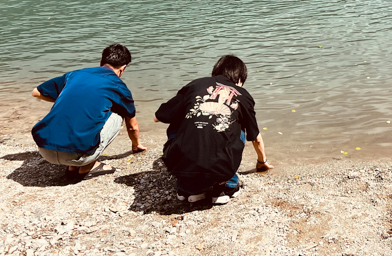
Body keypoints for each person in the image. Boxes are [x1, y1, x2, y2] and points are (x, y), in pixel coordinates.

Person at [155, 55, 273, 205]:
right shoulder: (243, 95)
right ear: (240, 79)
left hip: (179, 167)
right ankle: (226, 185)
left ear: (215, 72)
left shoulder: (196, 85)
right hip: (222, 170)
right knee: (238, 127)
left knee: (177, 122)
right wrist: (262, 161)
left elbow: (159, 116)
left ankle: (187, 186)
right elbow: (255, 136)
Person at [31, 43, 146, 181]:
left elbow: (36, 92)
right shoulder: (118, 86)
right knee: (118, 113)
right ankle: (87, 167)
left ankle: (72, 167)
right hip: (75, 155)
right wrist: (136, 145)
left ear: (101, 62)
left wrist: (67, 98)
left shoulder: (75, 74)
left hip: (44, 149)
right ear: (122, 69)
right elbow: (132, 126)